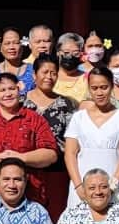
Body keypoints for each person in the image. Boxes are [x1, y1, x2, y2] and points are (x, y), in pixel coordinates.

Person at [0, 73, 60, 211]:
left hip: (29, 196)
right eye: (2, 90)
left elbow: (50, 154)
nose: (7, 94)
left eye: (11, 89)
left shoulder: (35, 119)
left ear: (19, 90)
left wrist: (21, 158)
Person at [65, 71, 119, 208]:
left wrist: (113, 184)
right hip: (82, 183)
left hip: (114, 183)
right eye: (94, 88)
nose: (99, 92)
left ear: (111, 87)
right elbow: (70, 154)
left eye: (104, 87)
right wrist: (78, 186)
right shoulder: (78, 117)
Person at [22, 53, 79, 205]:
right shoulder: (20, 102)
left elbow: (73, 139)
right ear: (34, 75)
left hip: (57, 171)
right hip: (24, 170)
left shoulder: (67, 104)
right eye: (45, 72)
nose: (49, 77)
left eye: (53, 73)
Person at [52, 32, 91, 101]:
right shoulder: (50, 77)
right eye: (66, 52)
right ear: (58, 53)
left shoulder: (88, 79)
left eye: (76, 53)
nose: (70, 56)